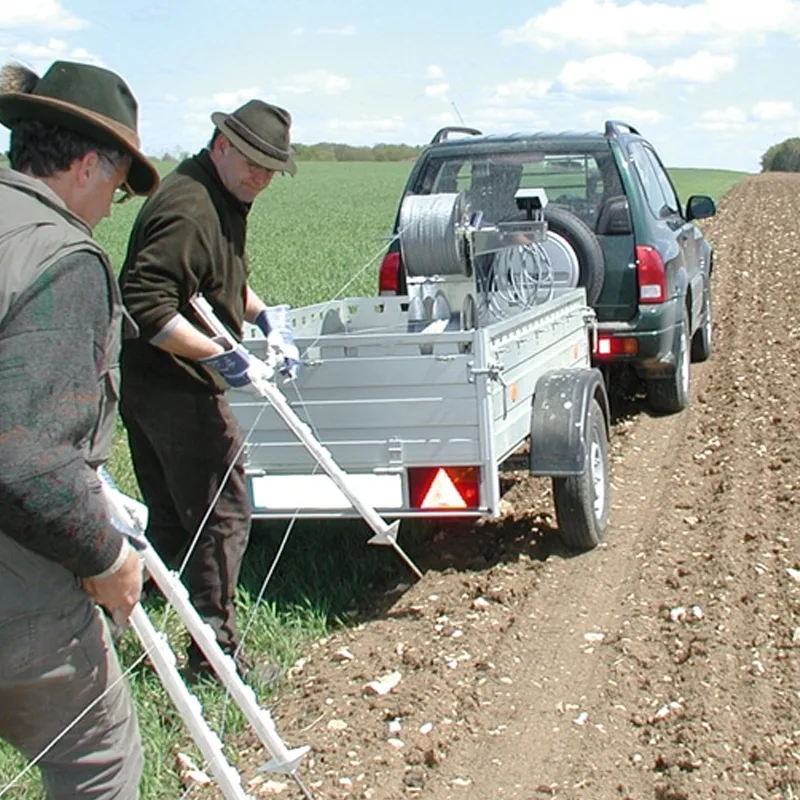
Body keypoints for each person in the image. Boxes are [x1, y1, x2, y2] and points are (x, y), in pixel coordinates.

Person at [0, 60, 159, 799]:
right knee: (98, 759)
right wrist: (107, 556)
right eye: (120, 187)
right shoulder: (61, 258)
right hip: (18, 596)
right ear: (91, 163)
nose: (111, 205)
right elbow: (24, 462)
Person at [118, 99, 298, 682]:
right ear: (221, 144)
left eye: (270, 169)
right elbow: (147, 304)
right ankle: (215, 657)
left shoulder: (223, 195)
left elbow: (221, 281)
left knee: (171, 524)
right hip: (173, 386)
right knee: (224, 513)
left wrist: (266, 317)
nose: (261, 178)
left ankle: (111, 620)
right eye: (252, 163)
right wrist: (223, 355)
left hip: (153, 384)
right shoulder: (189, 207)